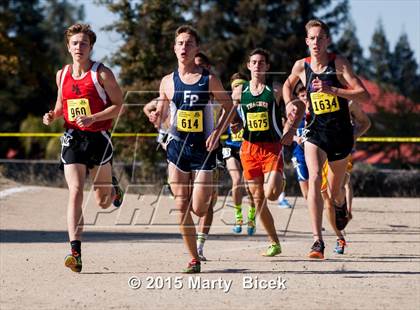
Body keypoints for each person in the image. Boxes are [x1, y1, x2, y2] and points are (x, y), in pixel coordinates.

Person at [149, 26, 234, 273]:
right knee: (181, 205)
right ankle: (193, 258)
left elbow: (229, 107)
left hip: (203, 149)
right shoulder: (167, 81)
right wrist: (157, 117)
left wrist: (217, 133)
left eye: (189, 43)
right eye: (180, 43)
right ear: (174, 48)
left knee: (198, 208)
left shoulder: (209, 79)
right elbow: (164, 114)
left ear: (196, 48)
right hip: (177, 148)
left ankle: (205, 207)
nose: (184, 47)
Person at [283, 19, 370, 259]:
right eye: (312, 38)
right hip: (315, 132)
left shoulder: (338, 64)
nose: (316, 42)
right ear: (307, 41)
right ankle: (317, 241)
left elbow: (365, 95)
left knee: (333, 194)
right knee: (313, 181)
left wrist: (334, 90)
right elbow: (287, 85)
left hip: (340, 135)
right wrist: (290, 103)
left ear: (327, 41)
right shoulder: (302, 66)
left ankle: (341, 204)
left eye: (321, 38)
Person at [42, 24, 125, 272]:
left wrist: (94, 118)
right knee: (75, 190)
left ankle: (112, 189)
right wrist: (52, 116)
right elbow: (60, 106)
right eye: (75, 43)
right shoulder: (62, 74)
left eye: (84, 43)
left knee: (101, 202)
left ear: (91, 47)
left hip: (98, 137)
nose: (79, 47)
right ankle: (75, 253)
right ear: (68, 47)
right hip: (72, 138)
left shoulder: (102, 74)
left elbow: (119, 105)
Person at [232, 48, 304, 257]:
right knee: (258, 199)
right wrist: (235, 123)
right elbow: (227, 109)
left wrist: (290, 130)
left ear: (267, 67)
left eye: (261, 62)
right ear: (248, 66)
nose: (257, 66)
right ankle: (274, 243)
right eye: (254, 62)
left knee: (271, 194)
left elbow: (298, 106)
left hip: (272, 148)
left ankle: (280, 180)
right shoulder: (240, 92)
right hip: (248, 149)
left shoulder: (275, 90)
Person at [321, 99, 371, 254]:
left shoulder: (349, 103)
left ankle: (344, 206)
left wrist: (353, 137)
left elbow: (366, 123)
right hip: (322, 149)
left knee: (342, 183)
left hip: (343, 150)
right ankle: (339, 236)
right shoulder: (315, 97)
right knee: (326, 196)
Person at [223, 73, 256, 235]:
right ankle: (238, 216)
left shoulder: (251, 103)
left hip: (247, 147)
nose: (238, 89)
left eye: (241, 86)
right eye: (235, 86)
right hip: (230, 146)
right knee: (236, 181)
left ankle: (251, 217)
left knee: (250, 187)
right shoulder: (228, 104)